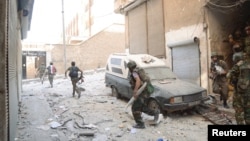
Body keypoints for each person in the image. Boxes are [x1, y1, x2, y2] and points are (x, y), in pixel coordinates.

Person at [127, 60, 160, 129]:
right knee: (142, 107)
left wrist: (135, 91)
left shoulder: (134, 73)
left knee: (135, 108)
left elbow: (138, 81)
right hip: (145, 92)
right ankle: (155, 112)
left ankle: (140, 124)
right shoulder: (139, 70)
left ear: (130, 67)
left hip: (141, 93)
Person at [227, 54, 245, 124]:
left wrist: (236, 66)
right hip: (247, 93)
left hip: (239, 93)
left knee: (239, 112)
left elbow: (228, 75)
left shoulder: (236, 67)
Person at [236, 51, 250, 125]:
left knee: (239, 110)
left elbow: (229, 75)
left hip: (240, 91)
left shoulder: (238, 65)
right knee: (248, 110)